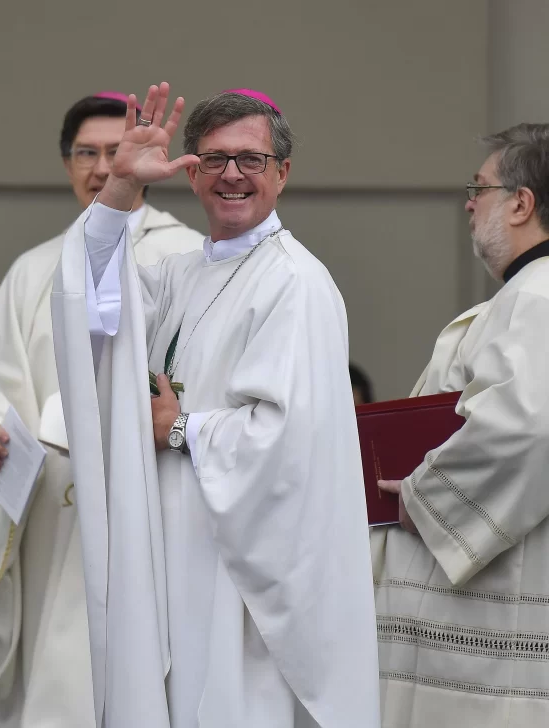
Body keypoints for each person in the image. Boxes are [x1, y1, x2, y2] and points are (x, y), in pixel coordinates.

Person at [52, 83, 380, 728]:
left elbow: (293, 442)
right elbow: (91, 313)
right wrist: (118, 190)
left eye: (251, 160)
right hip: (177, 549)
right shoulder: (181, 272)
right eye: (215, 160)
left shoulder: (296, 282)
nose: (232, 175)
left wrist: (179, 426)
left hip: (245, 579)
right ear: (192, 172)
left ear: (282, 174)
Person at [0, 91, 203, 727]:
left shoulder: (185, 255)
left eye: (113, 151)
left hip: (141, 508)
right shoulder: (35, 267)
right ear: (66, 161)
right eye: (86, 153)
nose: (100, 166)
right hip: (53, 512)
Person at [373, 124, 549, 727]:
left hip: (502, 608)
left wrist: (421, 496)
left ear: (522, 203)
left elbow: (530, 428)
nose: (469, 204)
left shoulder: (540, 297)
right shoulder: (522, 296)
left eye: (480, 188)